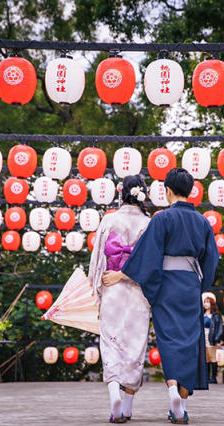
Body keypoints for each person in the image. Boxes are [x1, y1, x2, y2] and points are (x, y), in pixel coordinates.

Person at [103, 168, 219, 425]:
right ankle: (180, 403)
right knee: (189, 340)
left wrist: (151, 289)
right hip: (190, 283)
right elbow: (211, 259)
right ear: (190, 191)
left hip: (166, 284)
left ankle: (171, 388)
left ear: (167, 190)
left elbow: (148, 256)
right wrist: (202, 285)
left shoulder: (161, 218)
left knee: (167, 339)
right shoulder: (203, 222)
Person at [89, 175, 152, 423]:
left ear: (122, 193)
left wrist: (97, 286)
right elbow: (151, 263)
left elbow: (97, 260)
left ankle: (114, 390)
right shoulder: (149, 224)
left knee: (111, 341)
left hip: (111, 286)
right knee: (135, 345)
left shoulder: (109, 220)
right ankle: (126, 406)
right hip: (138, 289)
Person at [202, 292, 223, 384]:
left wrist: (217, 339)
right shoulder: (202, 314)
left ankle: (213, 377)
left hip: (211, 337)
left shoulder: (215, 316)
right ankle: (206, 377)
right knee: (206, 358)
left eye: (207, 302)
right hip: (203, 337)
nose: (205, 304)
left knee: (212, 357)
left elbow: (219, 328)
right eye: (204, 302)